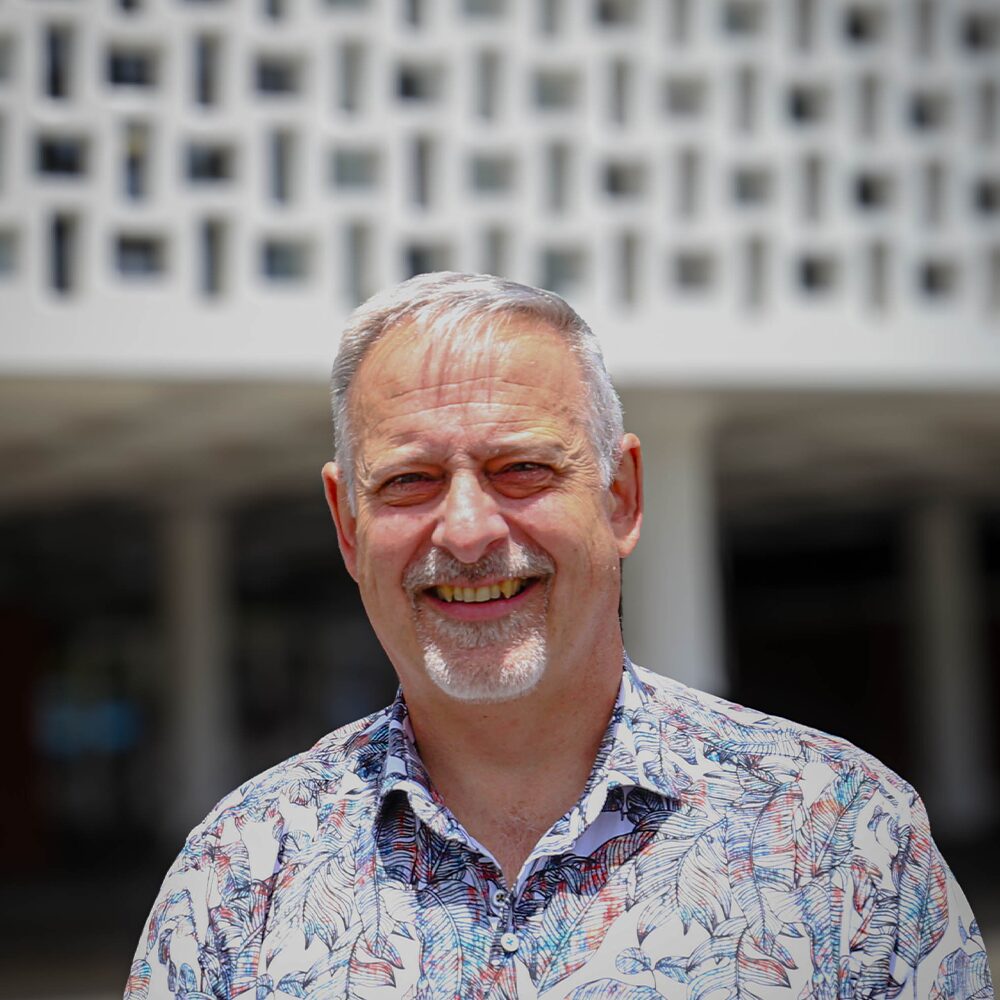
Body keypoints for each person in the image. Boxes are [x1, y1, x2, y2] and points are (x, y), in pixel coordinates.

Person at [127, 272, 993, 1000]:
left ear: (621, 497)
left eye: (522, 469)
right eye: (409, 480)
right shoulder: (237, 875)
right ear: (348, 527)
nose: (467, 532)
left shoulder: (844, 837)